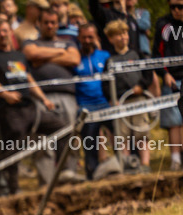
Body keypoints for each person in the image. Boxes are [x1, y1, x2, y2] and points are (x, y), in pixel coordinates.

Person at [0, 19, 61, 196]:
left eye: (5, 31)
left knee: (61, 128)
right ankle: (14, 187)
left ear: (10, 32)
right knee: (13, 146)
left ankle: (63, 172)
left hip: (30, 107)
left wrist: (44, 99)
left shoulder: (19, 56)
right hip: (9, 110)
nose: (2, 34)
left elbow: (29, 80)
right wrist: (6, 94)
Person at [23, 7, 81, 183]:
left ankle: (69, 176)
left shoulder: (69, 42)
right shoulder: (29, 42)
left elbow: (74, 59)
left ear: (57, 24)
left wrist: (43, 58)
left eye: (53, 22)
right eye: (46, 22)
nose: (50, 26)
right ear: (39, 24)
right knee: (42, 140)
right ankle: (47, 183)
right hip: (41, 97)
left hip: (68, 96)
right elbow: (32, 54)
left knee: (71, 135)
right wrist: (59, 53)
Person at [105, 19, 153, 172]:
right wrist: (112, 98)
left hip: (138, 99)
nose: (122, 37)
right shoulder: (110, 61)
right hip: (120, 103)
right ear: (111, 39)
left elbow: (148, 73)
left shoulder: (137, 54)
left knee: (142, 133)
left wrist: (142, 86)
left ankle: (145, 166)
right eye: (118, 35)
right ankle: (126, 166)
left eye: (124, 33)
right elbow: (105, 84)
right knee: (122, 136)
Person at [75, 23, 112, 179]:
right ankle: (92, 173)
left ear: (96, 37)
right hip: (85, 106)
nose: (87, 40)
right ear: (79, 38)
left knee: (120, 134)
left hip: (106, 103)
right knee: (90, 143)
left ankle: (126, 164)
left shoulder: (105, 56)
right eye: (84, 37)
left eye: (91, 37)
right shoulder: (75, 58)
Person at [154, 1, 183, 170]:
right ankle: (175, 159)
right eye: (173, 6)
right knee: (174, 121)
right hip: (172, 79)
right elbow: (157, 53)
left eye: (180, 6)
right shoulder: (163, 25)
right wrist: (164, 73)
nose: (177, 10)